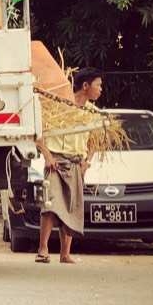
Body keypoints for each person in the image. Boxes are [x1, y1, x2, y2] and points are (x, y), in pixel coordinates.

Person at [34, 68, 103, 265]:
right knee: (51, 204)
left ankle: (65, 254)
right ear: (85, 86)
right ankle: (43, 248)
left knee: (72, 205)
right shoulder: (58, 106)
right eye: (98, 85)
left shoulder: (93, 113)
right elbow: (37, 135)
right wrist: (47, 156)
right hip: (56, 161)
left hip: (75, 163)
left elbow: (94, 143)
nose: (101, 89)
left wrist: (85, 163)